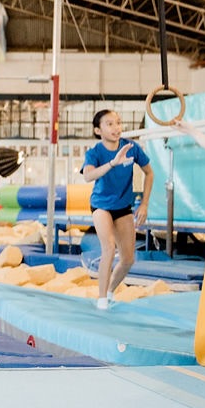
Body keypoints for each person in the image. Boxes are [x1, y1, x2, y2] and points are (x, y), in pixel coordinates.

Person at [81, 108, 153, 310]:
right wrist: (113, 163)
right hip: (101, 205)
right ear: (98, 130)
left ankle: (110, 291)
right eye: (110, 124)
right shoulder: (94, 152)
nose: (116, 128)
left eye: (118, 123)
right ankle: (101, 300)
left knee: (129, 259)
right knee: (109, 248)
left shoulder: (132, 148)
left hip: (123, 206)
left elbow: (149, 173)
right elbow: (88, 176)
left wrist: (145, 203)